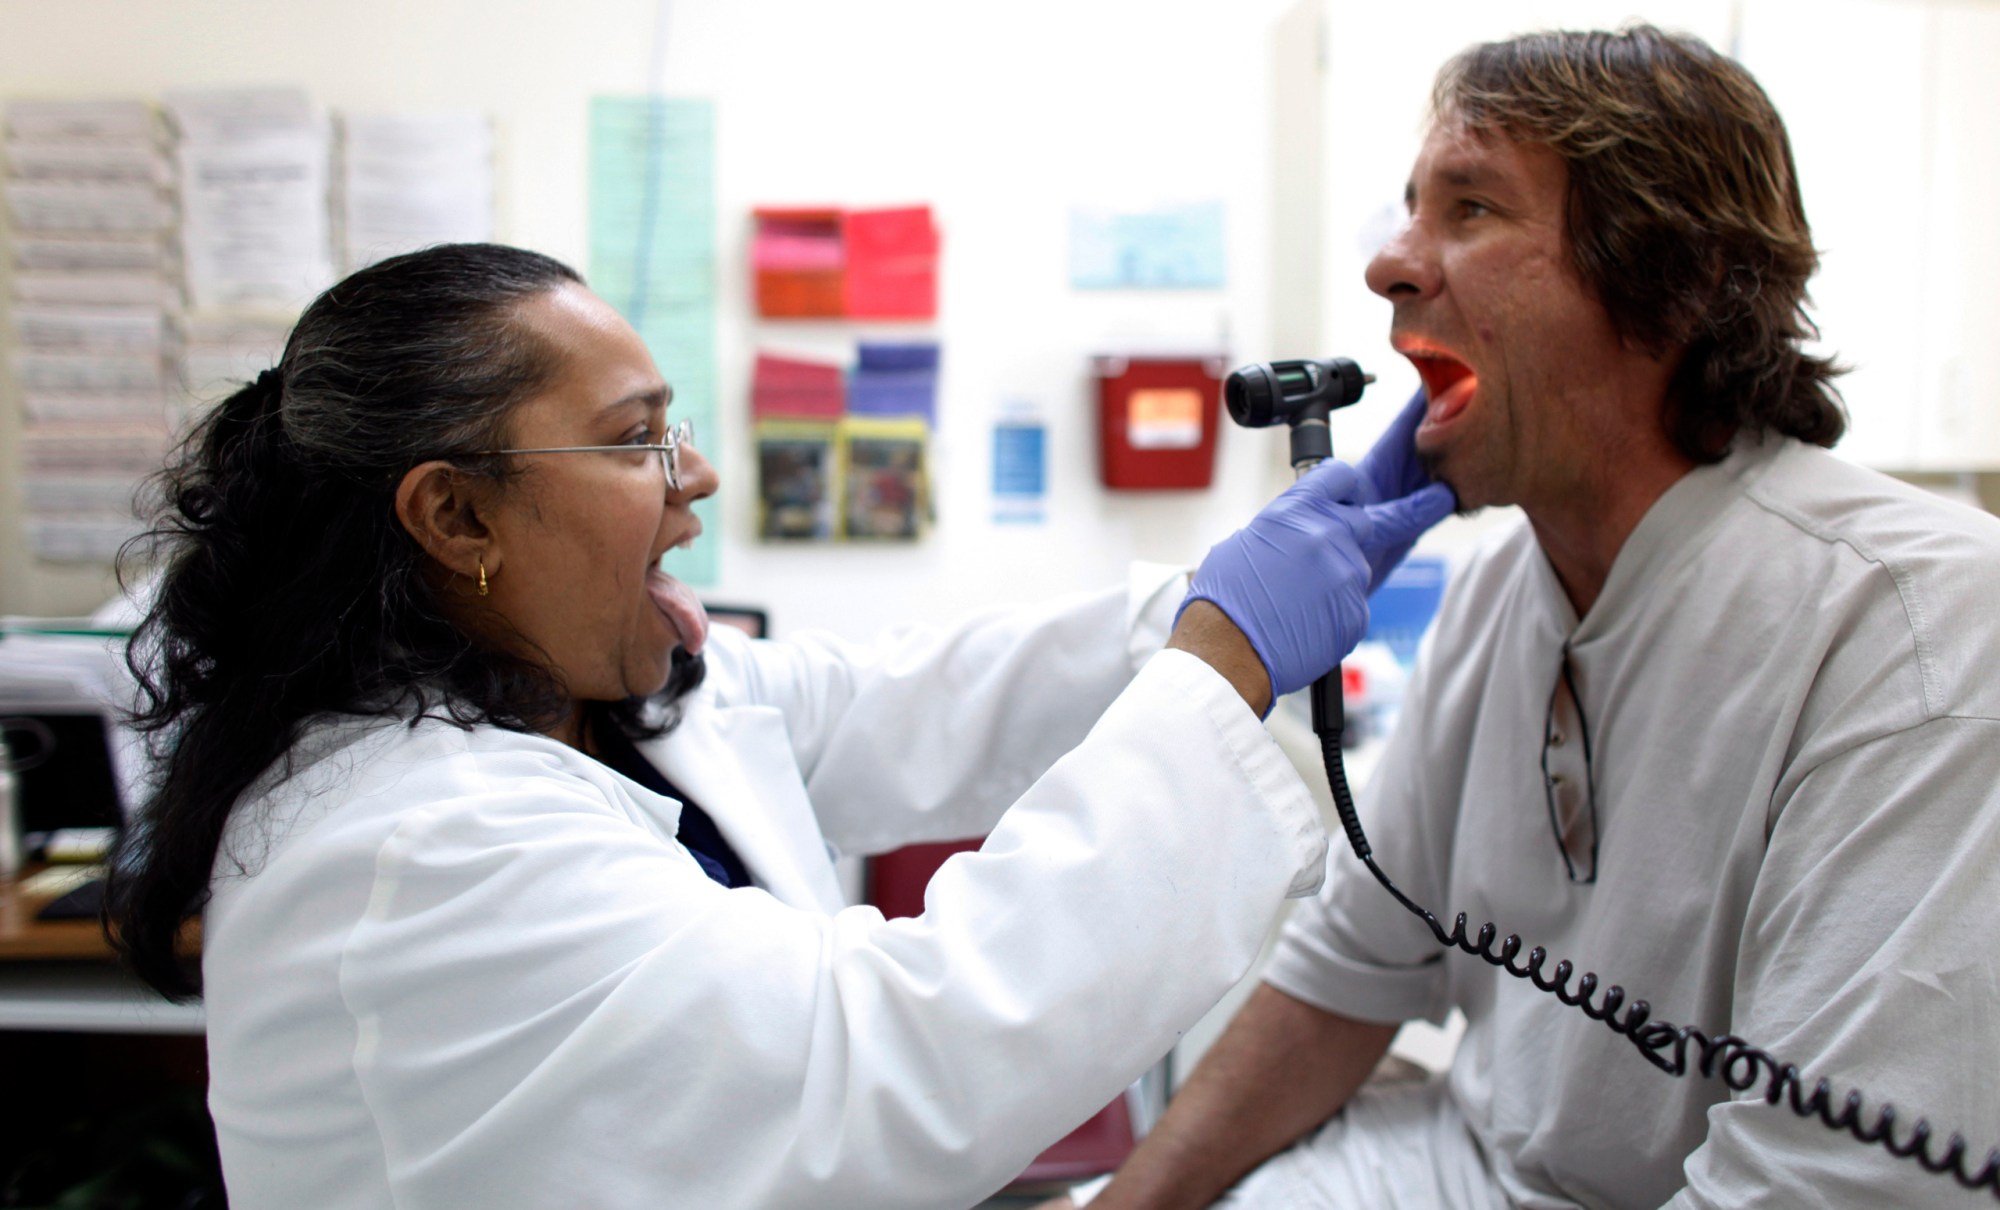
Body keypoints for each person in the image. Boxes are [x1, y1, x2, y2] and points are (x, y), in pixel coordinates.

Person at [101, 243, 1454, 1209]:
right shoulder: (410, 855)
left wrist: (1219, 594)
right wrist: (1223, 661)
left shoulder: (592, 699)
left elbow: (909, 699)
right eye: (633, 441)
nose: (691, 476)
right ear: (457, 516)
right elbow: (896, 1051)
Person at [1059, 25, 2000, 1210]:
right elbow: (1344, 976)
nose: (1389, 264)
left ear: (1677, 281)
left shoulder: (1917, 625)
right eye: (1410, 208)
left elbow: (1825, 1184)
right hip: (1451, 1163)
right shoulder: (1505, 585)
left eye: (1471, 209)